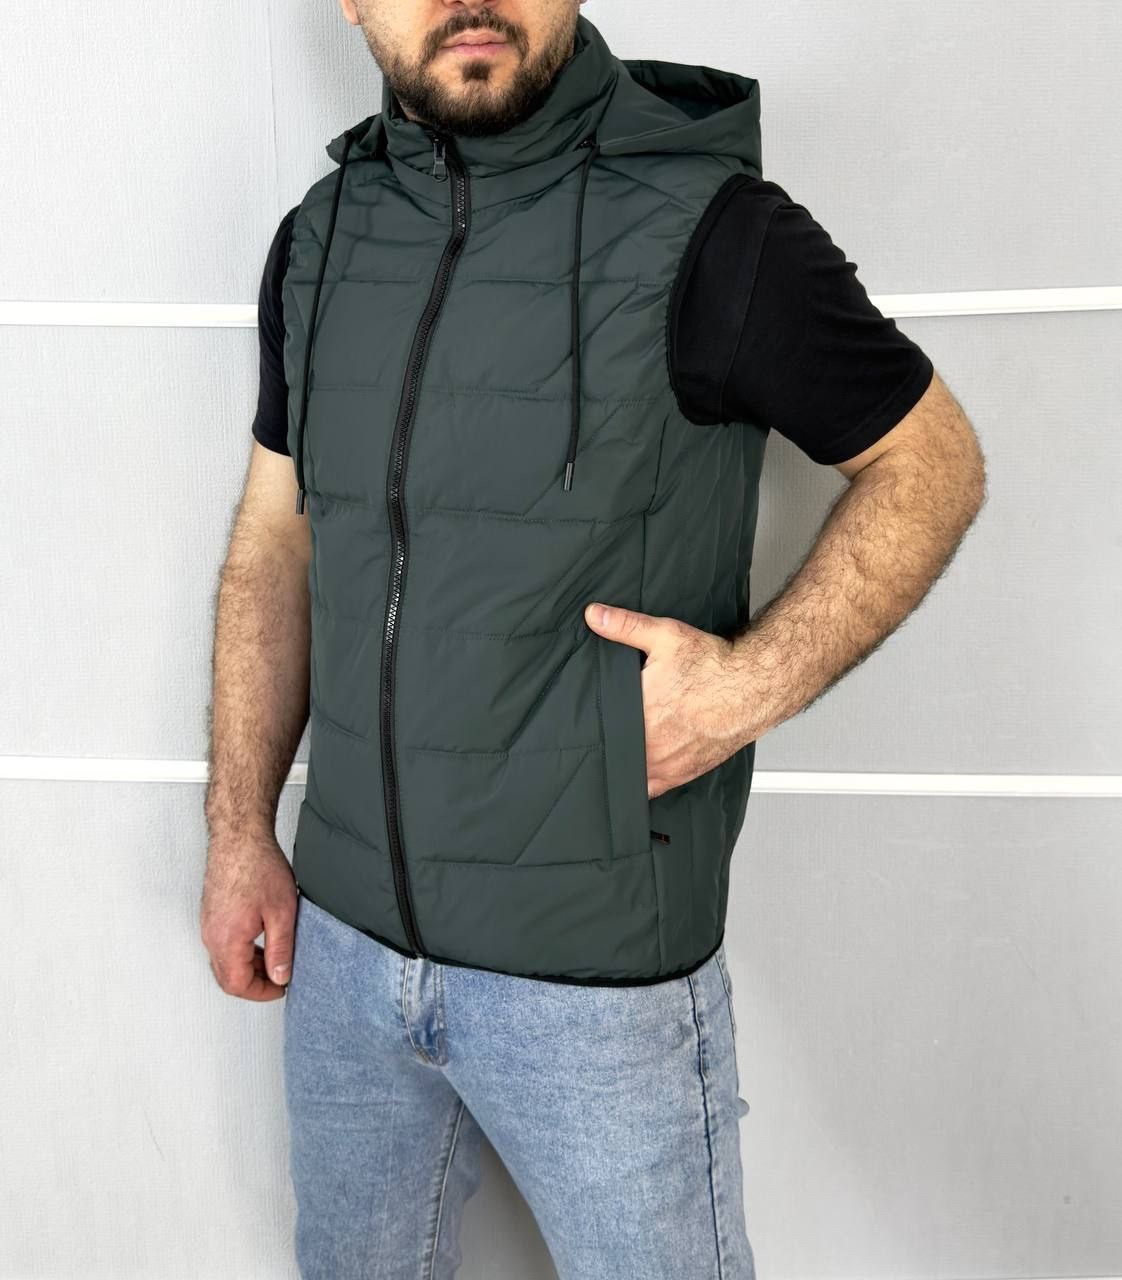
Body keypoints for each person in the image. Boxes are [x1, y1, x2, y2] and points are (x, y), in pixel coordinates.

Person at [200, 2, 987, 1276]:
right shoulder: (323, 238)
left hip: (597, 991)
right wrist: (240, 826)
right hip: (342, 952)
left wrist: (744, 688)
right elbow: (275, 544)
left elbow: (930, 462)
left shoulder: (713, 231)